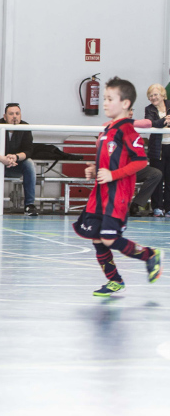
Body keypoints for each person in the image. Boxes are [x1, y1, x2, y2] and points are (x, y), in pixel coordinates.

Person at [72, 77, 162, 297]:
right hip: (99, 195)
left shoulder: (128, 130)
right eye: (104, 98)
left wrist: (113, 175)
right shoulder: (107, 129)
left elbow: (140, 161)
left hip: (117, 195)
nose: (104, 103)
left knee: (109, 238)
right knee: (96, 238)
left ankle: (149, 255)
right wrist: (95, 169)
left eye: (110, 99)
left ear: (125, 103)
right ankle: (115, 280)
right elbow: (109, 158)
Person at [0, 103, 38, 216]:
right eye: (11, 114)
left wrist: (16, 157)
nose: (14, 116)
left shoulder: (25, 127)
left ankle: (29, 205)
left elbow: (29, 150)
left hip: (15, 165)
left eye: (17, 113)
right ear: (5, 116)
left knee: (29, 163)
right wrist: (2, 159)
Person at [142, 84, 170, 217]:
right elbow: (151, 123)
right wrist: (165, 120)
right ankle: (157, 208)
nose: (153, 97)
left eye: (155, 94)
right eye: (150, 95)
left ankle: (169, 207)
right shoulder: (149, 109)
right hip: (157, 149)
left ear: (163, 95)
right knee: (158, 178)